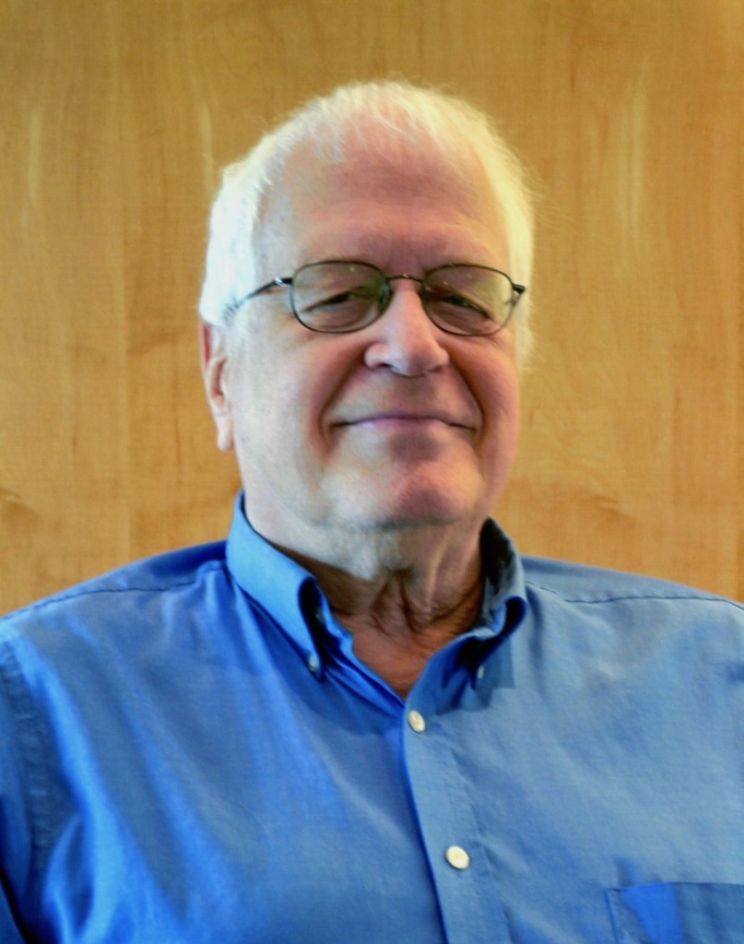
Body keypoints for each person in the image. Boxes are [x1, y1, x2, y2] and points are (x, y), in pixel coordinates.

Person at [1, 80, 742, 944]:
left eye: (463, 297)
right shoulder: (34, 715)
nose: (414, 345)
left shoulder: (720, 680)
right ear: (220, 373)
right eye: (337, 293)